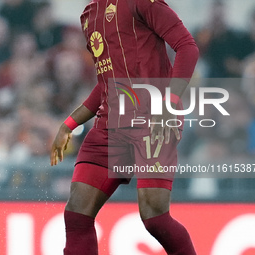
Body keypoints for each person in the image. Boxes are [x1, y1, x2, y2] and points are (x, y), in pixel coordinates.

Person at [50, 0, 199, 254]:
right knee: (76, 215)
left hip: (152, 122)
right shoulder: (88, 15)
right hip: (109, 127)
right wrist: (70, 123)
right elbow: (107, 82)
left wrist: (169, 104)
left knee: (155, 218)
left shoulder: (142, 3)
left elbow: (187, 47)